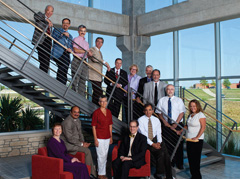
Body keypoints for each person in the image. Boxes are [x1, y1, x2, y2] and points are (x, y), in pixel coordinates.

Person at [138, 103, 172, 179]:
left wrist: (159, 142)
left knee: (166, 155)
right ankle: (159, 174)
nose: (148, 112)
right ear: (144, 111)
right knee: (161, 153)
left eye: (150, 110)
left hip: (156, 140)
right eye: (146, 110)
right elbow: (144, 136)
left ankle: (169, 176)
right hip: (146, 142)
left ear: (153, 111)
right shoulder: (140, 120)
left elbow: (159, 133)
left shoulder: (156, 120)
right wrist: (153, 144)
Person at [61, 106, 97, 178]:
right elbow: (69, 138)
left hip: (76, 143)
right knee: (87, 151)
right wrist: (81, 144)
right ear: (71, 112)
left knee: (87, 149)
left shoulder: (78, 120)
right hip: (68, 145)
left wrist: (83, 142)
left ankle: (90, 172)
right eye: (75, 112)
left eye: (78, 112)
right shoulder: (67, 122)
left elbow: (80, 133)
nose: (77, 114)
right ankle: (90, 174)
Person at [156, 84, 186, 169]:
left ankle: (180, 163)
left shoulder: (179, 100)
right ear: (166, 90)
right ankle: (171, 163)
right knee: (168, 145)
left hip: (178, 125)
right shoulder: (162, 100)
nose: (170, 91)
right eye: (168, 89)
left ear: (174, 90)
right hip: (166, 126)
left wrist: (176, 124)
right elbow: (158, 112)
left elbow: (181, 113)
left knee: (179, 145)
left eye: (172, 89)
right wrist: (164, 121)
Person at [177, 99, 206, 179]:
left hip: (197, 140)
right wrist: (181, 131)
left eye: (194, 106)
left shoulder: (201, 115)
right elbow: (187, 126)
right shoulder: (190, 115)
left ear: (197, 106)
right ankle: (193, 176)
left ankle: (197, 177)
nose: (192, 107)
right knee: (191, 160)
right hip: (189, 139)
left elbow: (203, 127)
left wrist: (197, 137)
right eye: (191, 106)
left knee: (196, 160)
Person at [91, 95, 113, 179]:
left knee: (105, 155)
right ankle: (100, 174)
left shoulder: (109, 112)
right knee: (101, 156)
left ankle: (102, 173)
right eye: (102, 101)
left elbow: (110, 125)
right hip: (99, 137)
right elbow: (93, 126)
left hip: (107, 137)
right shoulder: (96, 113)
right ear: (99, 103)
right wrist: (95, 139)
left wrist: (111, 137)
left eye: (105, 101)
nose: (104, 103)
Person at [88, 37, 110, 105]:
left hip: (98, 76)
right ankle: (97, 107)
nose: (99, 43)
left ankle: (93, 107)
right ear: (95, 42)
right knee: (99, 92)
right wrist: (105, 62)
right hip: (93, 75)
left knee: (96, 93)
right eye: (98, 41)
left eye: (101, 42)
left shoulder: (100, 52)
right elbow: (95, 59)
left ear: (102, 44)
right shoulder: (92, 49)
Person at [71, 25, 92, 96]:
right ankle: (73, 95)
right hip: (77, 60)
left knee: (83, 79)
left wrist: (89, 54)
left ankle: (81, 97)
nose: (83, 32)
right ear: (78, 31)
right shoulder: (76, 39)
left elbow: (86, 53)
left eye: (84, 31)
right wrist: (85, 51)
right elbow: (75, 50)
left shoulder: (86, 43)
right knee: (76, 78)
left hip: (85, 61)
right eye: (81, 31)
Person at [32, 5, 54, 73]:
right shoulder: (40, 15)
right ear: (45, 10)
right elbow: (36, 16)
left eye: (51, 11)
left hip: (48, 41)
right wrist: (46, 20)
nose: (49, 13)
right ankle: (41, 77)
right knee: (43, 60)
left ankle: (43, 77)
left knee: (47, 62)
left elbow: (49, 34)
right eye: (48, 10)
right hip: (41, 41)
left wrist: (51, 44)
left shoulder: (50, 21)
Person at [52, 18, 73, 85]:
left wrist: (70, 49)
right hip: (58, 53)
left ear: (69, 25)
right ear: (62, 24)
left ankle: (63, 86)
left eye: (67, 23)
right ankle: (59, 85)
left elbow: (71, 46)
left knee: (65, 70)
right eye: (64, 23)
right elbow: (53, 38)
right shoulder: (57, 30)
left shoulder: (71, 36)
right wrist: (62, 34)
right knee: (61, 68)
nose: (65, 25)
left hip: (66, 54)